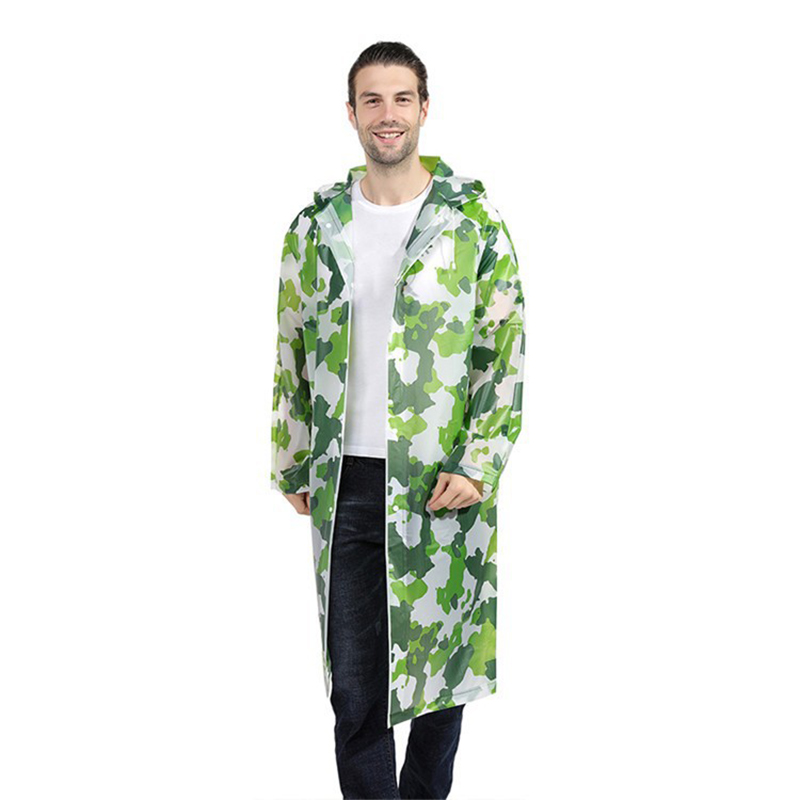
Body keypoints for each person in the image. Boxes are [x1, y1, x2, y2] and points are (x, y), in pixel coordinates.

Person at [271, 40, 526, 800]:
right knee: (356, 688)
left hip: (439, 478)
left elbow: (502, 348)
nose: (388, 114)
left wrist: (479, 461)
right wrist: (292, 457)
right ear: (351, 114)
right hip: (345, 478)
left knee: (441, 679)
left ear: (424, 109)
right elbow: (291, 342)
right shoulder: (316, 227)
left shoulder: (472, 223)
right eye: (372, 100)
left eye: (402, 98)